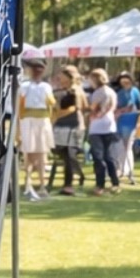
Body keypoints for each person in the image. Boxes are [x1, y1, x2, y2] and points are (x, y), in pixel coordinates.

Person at [17, 56, 54, 200]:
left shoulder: (46, 86)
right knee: (29, 153)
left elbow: (50, 104)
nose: (38, 72)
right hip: (29, 120)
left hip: (42, 120)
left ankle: (42, 185)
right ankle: (28, 183)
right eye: (35, 69)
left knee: (42, 153)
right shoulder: (25, 86)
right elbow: (20, 106)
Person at [48, 65, 86, 196]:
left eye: (62, 75)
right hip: (61, 126)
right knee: (62, 152)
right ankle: (76, 175)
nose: (59, 77)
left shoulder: (75, 91)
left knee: (70, 154)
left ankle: (68, 184)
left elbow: (76, 108)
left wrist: (55, 117)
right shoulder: (60, 90)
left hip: (73, 126)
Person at [86, 69, 120, 196]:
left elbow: (93, 108)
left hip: (97, 126)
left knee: (98, 157)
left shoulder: (98, 93)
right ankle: (115, 183)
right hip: (110, 125)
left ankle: (100, 185)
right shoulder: (112, 92)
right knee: (109, 157)